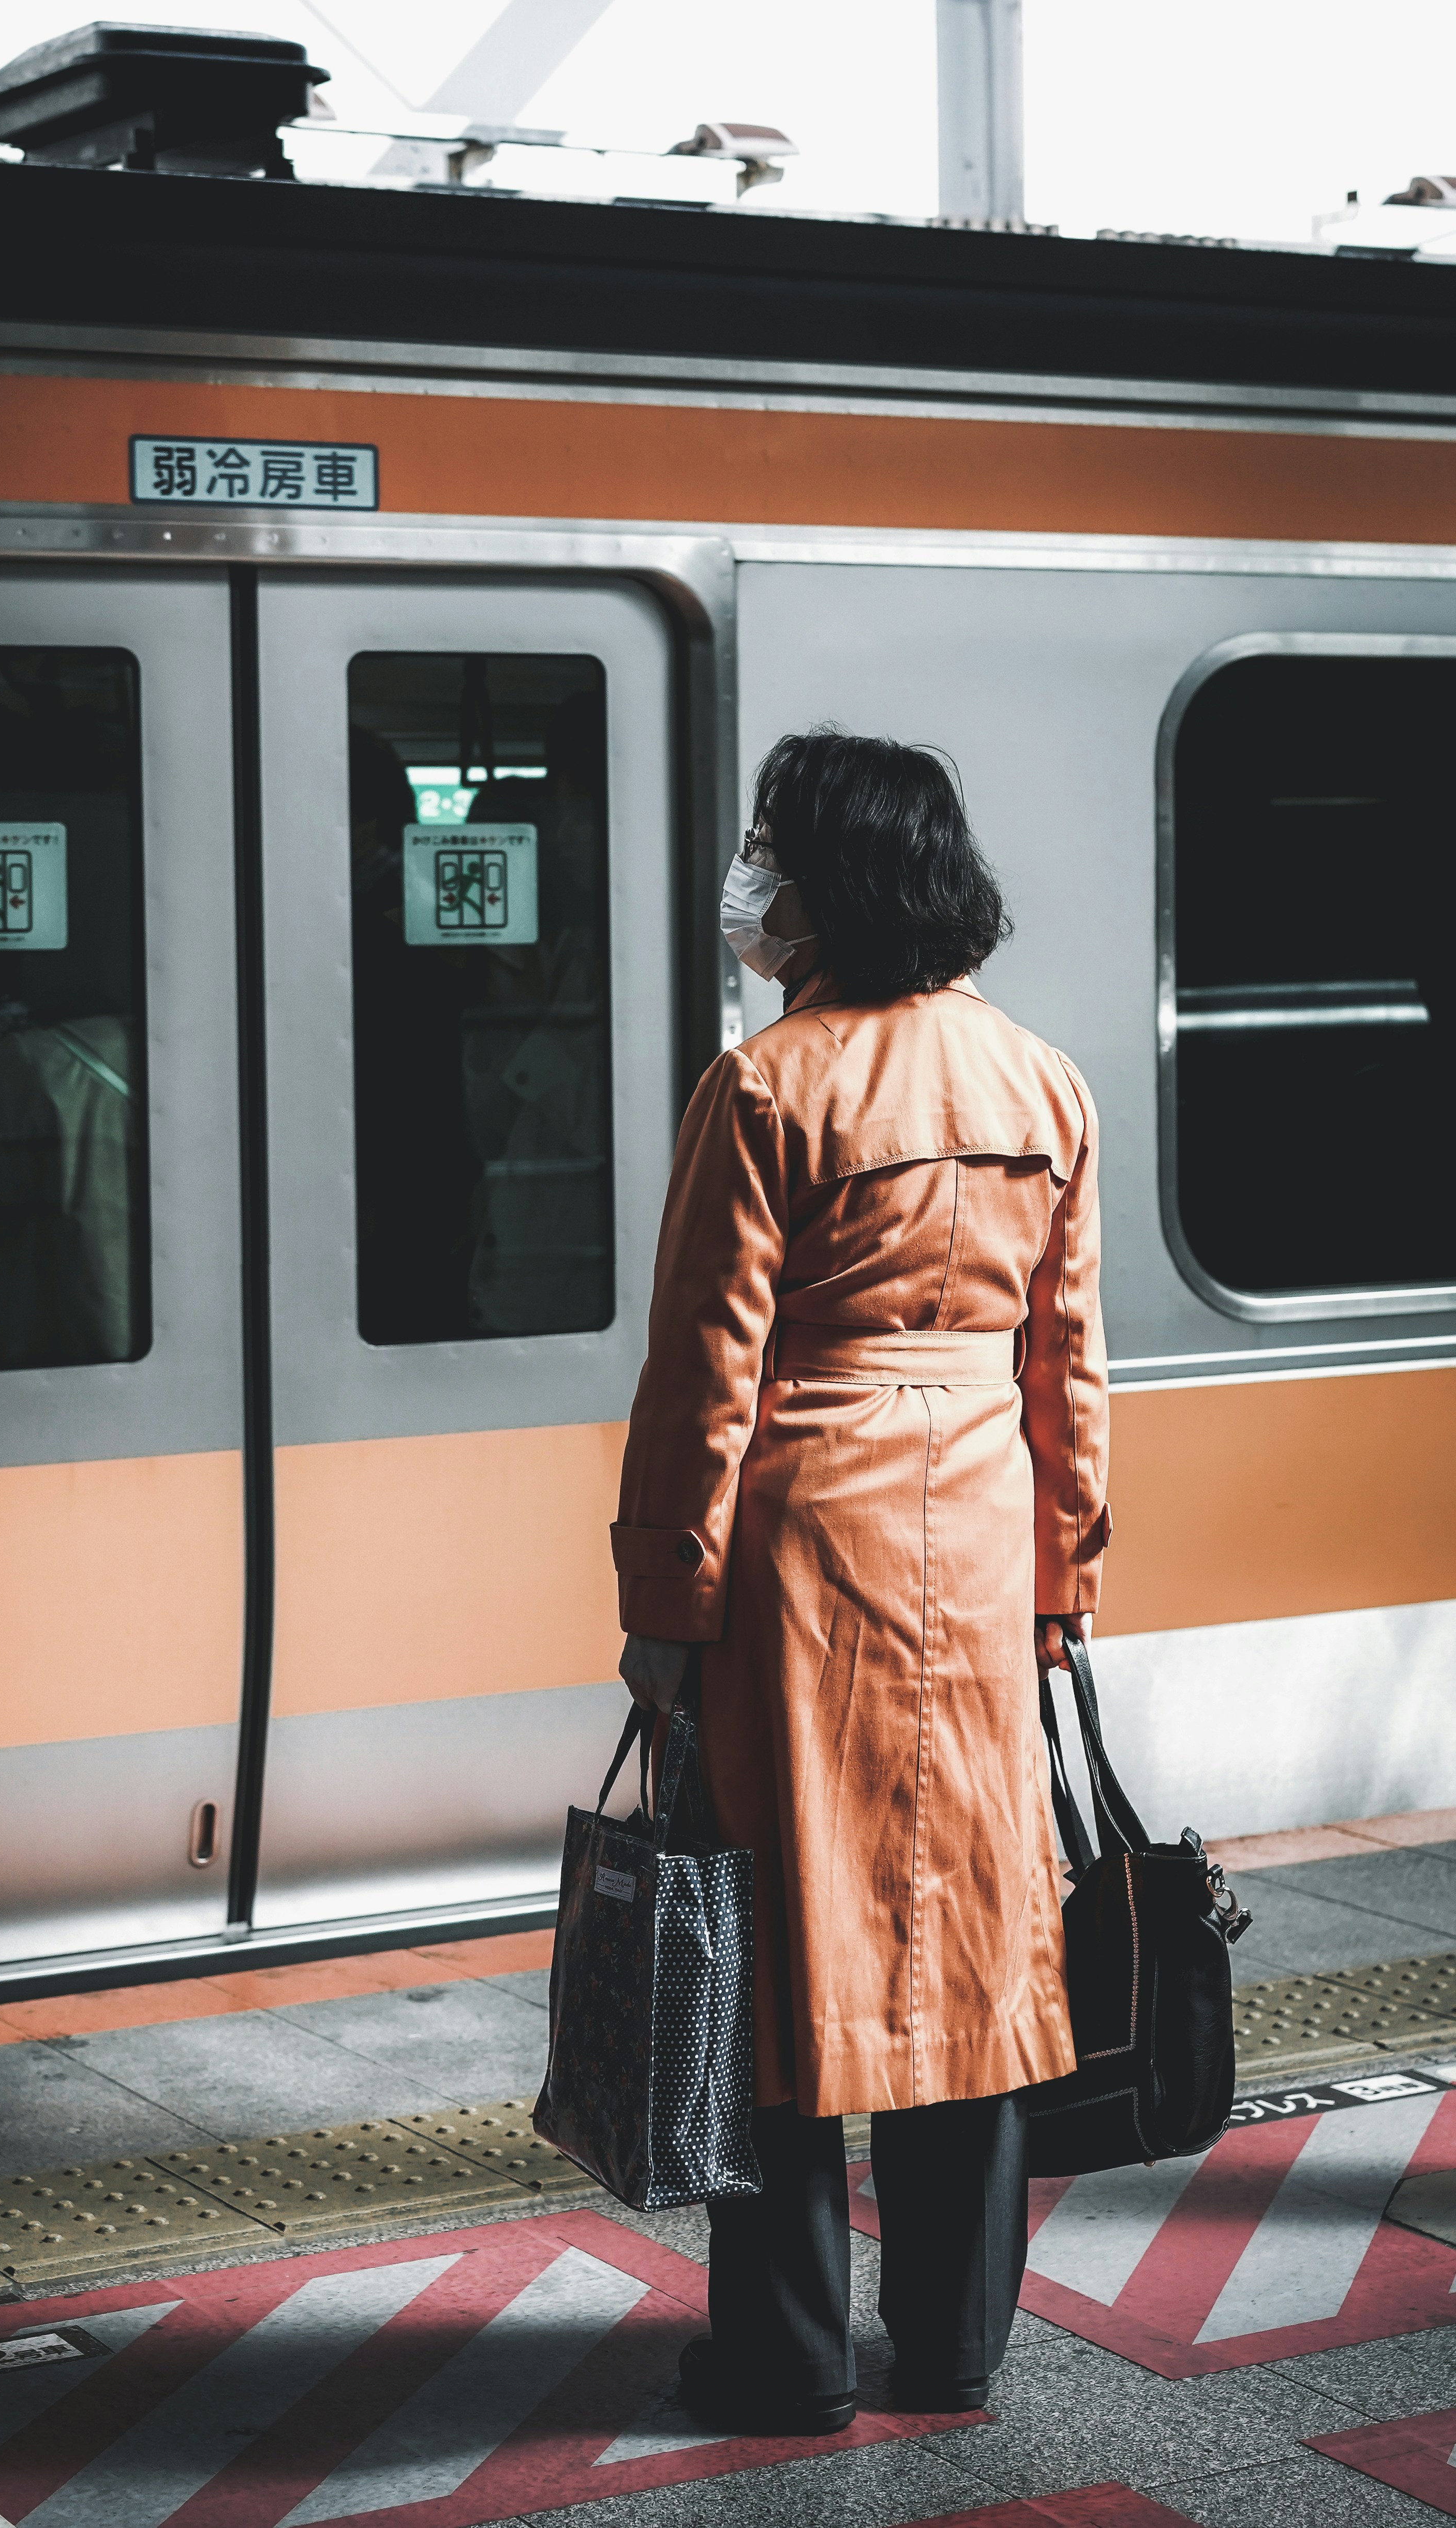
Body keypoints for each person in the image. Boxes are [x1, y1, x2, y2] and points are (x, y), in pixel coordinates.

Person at [612, 728, 1109, 2433]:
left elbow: (702, 1378)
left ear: (829, 880)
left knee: (780, 1944)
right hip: (977, 1550)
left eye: (771, 845)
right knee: (969, 1938)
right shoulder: (1047, 1084)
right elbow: (1073, 1375)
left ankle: (787, 2358)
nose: (752, 875)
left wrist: (663, 1610)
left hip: (800, 1552)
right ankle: (959, 2345)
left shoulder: (763, 1087)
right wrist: (1061, 1588)